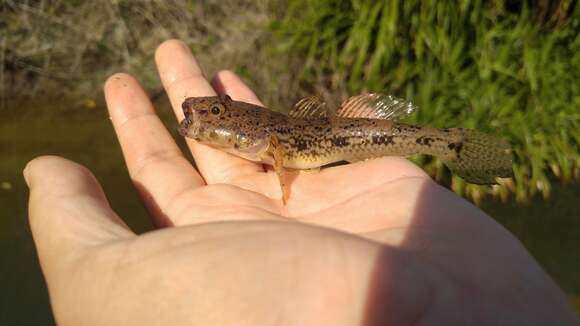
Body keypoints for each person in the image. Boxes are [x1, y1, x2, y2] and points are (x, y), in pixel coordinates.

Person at [24, 39, 578, 325]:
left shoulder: (278, 143)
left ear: (262, 141)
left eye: (219, 122)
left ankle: (456, 145)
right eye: (212, 123)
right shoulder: (269, 134)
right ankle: (452, 142)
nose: (208, 128)